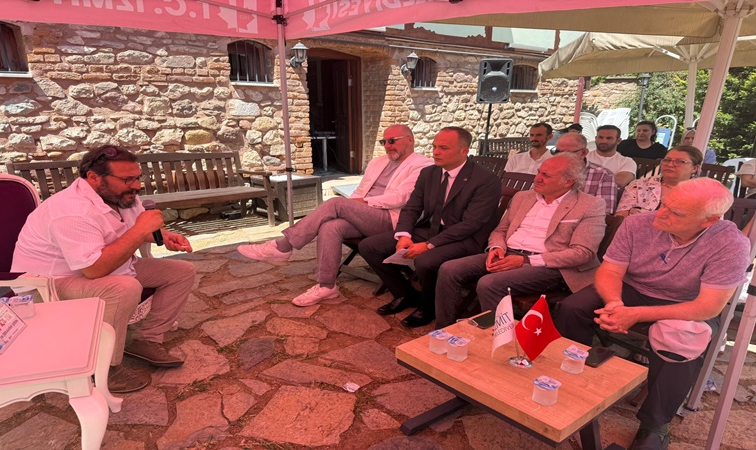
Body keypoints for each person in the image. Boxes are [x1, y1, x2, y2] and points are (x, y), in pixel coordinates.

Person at [555, 177, 751, 450]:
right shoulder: (638, 223)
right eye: (664, 204)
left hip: (686, 302)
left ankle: (654, 425)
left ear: (709, 220)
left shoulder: (731, 243)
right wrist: (615, 304)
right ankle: (573, 377)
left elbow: (708, 307)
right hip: (632, 289)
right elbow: (610, 271)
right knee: (573, 308)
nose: (660, 213)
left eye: (676, 213)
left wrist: (636, 314)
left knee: (682, 340)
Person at [12, 146, 196, 394]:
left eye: (137, 177)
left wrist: (163, 236)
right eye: (127, 179)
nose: (136, 186)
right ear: (94, 178)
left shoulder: (120, 195)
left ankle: (145, 339)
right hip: (48, 284)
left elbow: (130, 229)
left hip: (99, 268)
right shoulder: (70, 210)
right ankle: (104, 367)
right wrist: (140, 230)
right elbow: (94, 269)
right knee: (124, 288)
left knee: (181, 272)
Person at [236, 125, 432, 306]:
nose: (387, 146)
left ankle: (283, 246)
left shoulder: (423, 165)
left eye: (392, 141)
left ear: (410, 140)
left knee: (336, 203)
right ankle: (326, 286)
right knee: (331, 226)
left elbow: (402, 198)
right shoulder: (378, 162)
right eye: (384, 142)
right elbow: (360, 191)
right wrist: (353, 208)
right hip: (366, 215)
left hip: (391, 219)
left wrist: (359, 204)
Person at [434, 153, 606, 328]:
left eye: (546, 175)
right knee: (449, 269)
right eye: (538, 172)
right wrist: (496, 248)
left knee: (489, 284)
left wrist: (526, 260)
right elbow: (501, 230)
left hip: (551, 265)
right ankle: (444, 328)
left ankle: (497, 338)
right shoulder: (523, 197)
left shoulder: (589, 205)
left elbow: (583, 252)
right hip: (508, 253)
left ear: (568, 182)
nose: (537, 178)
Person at [359, 126, 503, 328]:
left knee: (426, 261)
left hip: (466, 238)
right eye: (434, 147)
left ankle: (427, 308)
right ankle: (405, 294)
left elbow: (471, 224)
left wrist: (428, 245)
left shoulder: (486, 180)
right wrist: (404, 235)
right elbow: (412, 207)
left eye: (443, 148)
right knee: (369, 247)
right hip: (431, 228)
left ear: (464, 151)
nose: (435, 152)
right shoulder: (429, 173)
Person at [616, 146, 702, 216]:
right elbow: (620, 216)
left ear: (694, 168)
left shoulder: (702, 194)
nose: (670, 164)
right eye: (667, 160)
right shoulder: (639, 185)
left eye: (680, 162)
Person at [555, 132, 618, 214]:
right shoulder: (547, 170)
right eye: (557, 151)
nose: (561, 156)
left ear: (584, 153)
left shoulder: (603, 175)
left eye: (568, 153)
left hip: (581, 220)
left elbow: (604, 212)